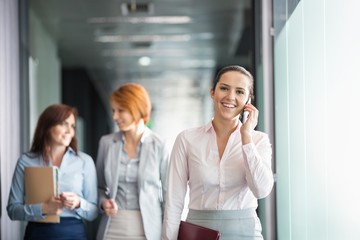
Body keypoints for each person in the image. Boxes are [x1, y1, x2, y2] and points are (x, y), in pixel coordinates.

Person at [161, 65, 274, 240]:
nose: (230, 97)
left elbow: (261, 190)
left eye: (239, 92)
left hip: (245, 233)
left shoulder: (259, 141)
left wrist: (246, 138)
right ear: (212, 92)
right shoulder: (187, 139)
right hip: (198, 232)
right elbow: (174, 201)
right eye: (224, 88)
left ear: (248, 102)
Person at [7, 103, 98, 240]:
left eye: (72, 126)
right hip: (37, 234)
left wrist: (79, 203)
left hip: (73, 234)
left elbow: (94, 212)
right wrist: (44, 208)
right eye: (63, 124)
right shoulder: (26, 161)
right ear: (47, 126)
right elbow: (13, 210)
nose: (69, 131)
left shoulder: (85, 162)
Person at [96, 83, 170, 240]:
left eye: (120, 110)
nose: (115, 116)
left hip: (148, 229)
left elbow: (168, 194)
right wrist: (103, 202)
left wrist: (168, 232)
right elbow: (99, 186)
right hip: (112, 227)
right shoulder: (107, 143)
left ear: (137, 109)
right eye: (113, 111)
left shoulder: (159, 145)